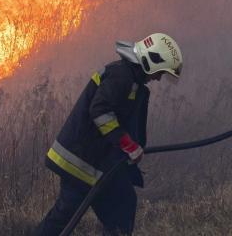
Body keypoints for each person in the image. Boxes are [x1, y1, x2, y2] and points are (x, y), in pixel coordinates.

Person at [34, 33, 183, 236]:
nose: (158, 78)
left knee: (122, 206)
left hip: (100, 163)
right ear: (151, 61)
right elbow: (100, 111)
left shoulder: (132, 81)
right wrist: (128, 145)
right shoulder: (121, 75)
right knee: (65, 216)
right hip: (82, 161)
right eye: (160, 72)